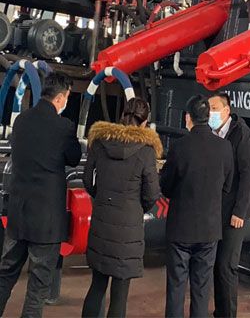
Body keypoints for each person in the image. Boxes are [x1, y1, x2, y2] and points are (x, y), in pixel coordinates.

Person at [0, 73, 81, 317]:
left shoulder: (21, 121)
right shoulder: (63, 127)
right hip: (46, 221)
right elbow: (74, 158)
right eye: (67, 97)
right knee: (37, 287)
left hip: (18, 214)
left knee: (5, 275)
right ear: (60, 98)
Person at [81, 98, 162, 318]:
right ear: (144, 121)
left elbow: (87, 180)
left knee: (97, 286)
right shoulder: (146, 152)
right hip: (129, 229)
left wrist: (101, 197)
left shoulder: (100, 142)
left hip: (102, 222)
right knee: (120, 294)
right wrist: (136, 208)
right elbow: (152, 194)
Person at [160, 96, 233, 318]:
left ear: (187, 118)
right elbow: (227, 185)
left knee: (176, 287)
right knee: (202, 289)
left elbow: (166, 186)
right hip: (209, 230)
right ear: (208, 117)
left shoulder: (179, 147)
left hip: (180, 229)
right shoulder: (224, 147)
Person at [208, 93, 250, 318]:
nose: (211, 112)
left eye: (214, 108)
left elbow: (248, 175)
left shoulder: (241, 134)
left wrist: (239, 211)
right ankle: (220, 312)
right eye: (208, 108)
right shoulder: (212, 134)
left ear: (226, 110)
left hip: (235, 211)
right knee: (217, 265)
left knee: (227, 265)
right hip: (218, 208)